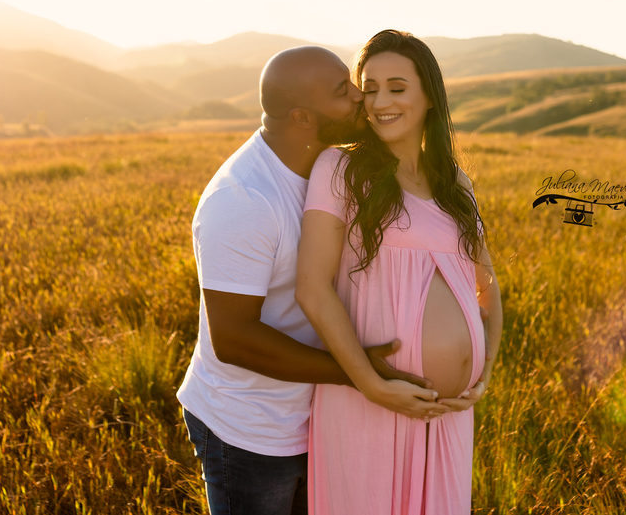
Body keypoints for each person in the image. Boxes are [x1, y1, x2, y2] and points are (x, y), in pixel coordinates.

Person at [176, 45, 458, 515]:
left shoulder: (335, 167)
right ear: (303, 118)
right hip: (251, 429)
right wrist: (361, 375)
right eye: (341, 92)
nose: (358, 96)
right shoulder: (243, 201)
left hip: (320, 415)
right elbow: (233, 339)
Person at [295, 30, 504, 515]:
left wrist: (484, 371)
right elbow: (312, 288)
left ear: (429, 95)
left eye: (396, 87)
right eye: (369, 88)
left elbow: (487, 288)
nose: (380, 101)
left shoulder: (456, 184)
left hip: (449, 418)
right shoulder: (341, 168)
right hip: (371, 403)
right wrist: (371, 384)